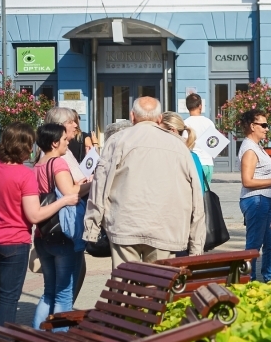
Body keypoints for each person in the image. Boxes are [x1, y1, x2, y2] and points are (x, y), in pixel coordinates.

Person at [0, 122, 79, 342]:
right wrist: (64, 200)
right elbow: (34, 215)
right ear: (24, 145)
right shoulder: (23, 174)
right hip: (14, 241)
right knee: (8, 300)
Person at [84, 97, 206, 268]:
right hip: (165, 228)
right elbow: (196, 196)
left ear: (132, 116)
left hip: (125, 225)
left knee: (124, 287)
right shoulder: (179, 146)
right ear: (159, 119)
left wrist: (92, 228)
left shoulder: (117, 140)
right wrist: (196, 244)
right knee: (158, 286)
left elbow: (100, 186)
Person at [31, 123, 91, 334]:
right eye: (65, 140)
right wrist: (92, 183)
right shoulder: (57, 163)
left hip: (43, 233)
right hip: (63, 234)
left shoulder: (38, 164)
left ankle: (37, 336)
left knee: (49, 292)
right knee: (64, 295)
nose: (68, 142)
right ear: (55, 142)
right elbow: (71, 193)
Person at [44, 107, 92, 300]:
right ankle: (57, 326)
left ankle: (51, 324)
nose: (75, 125)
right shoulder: (58, 157)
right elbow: (69, 191)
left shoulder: (62, 152)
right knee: (62, 291)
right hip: (64, 226)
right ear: (60, 125)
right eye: (71, 121)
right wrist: (93, 182)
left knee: (58, 288)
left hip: (57, 225)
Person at [239, 110, 271, 282]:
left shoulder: (257, 146)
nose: (267, 128)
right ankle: (248, 281)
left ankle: (269, 279)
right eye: (263, 125)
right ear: (252, 126)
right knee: (254, 245)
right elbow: (247, 181)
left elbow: (259, 172)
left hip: (265, 200)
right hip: (256, 200)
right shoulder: (250, 149)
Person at [161, 111, 206, 194]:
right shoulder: (161, 155)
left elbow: (199, 191)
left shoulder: (189, 157)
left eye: (159, 131)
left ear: (172, 131)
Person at [183, 93, 215, 185]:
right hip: (208, 163)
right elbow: (214, 143)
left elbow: (185, 144)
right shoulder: (209, 122)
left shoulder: (186, 123)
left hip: (195, 163)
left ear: (187, 107)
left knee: (196, 193)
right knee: (206, 193)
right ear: (200, 106)